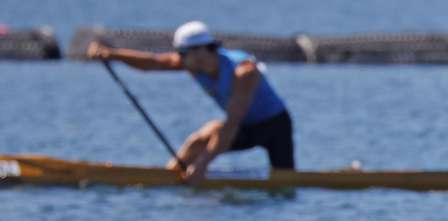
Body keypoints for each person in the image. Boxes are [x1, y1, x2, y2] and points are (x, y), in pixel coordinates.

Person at [88, 21, 294, 184]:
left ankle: (193, 173)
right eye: (180, 54)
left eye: (183, 54)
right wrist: (111, 54)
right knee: (199, 140)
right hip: (245, 126)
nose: (180, 59)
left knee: (286, 181)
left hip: (275, 126)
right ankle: (167, 176)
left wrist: (203, 165)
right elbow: (153, 62)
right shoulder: (193, 62)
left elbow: (232, 124)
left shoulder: (243, 72)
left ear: (202, 50)